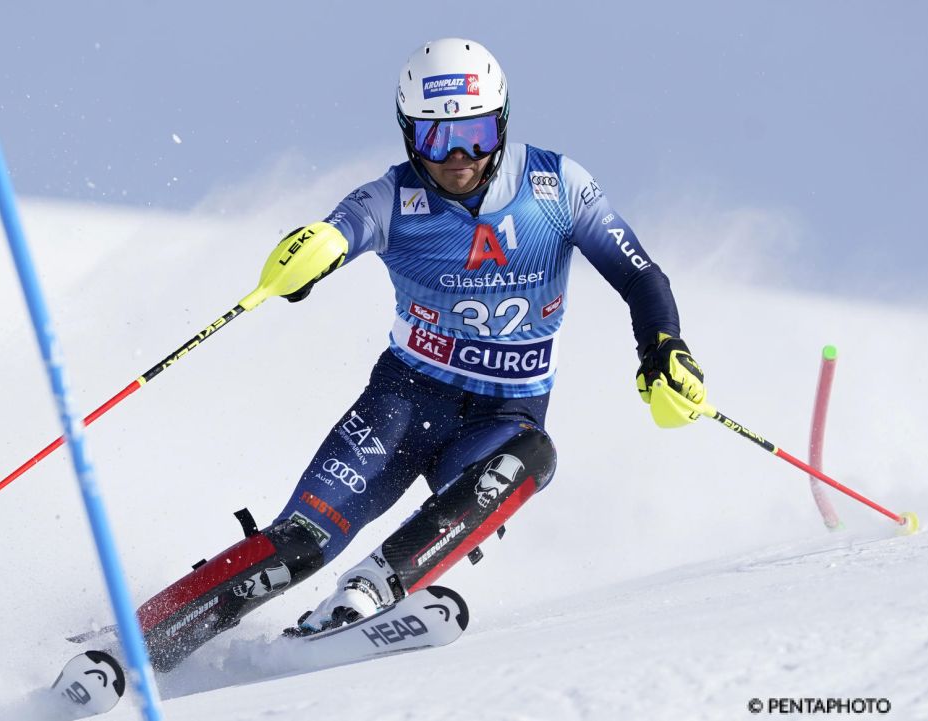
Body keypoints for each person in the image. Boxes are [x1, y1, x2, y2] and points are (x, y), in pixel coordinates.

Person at [133, 37, 707, 669]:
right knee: (301, 540)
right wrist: (312, 249)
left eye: (478, 134)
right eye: (437, 139)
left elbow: (642, 277)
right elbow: (335, 234)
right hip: (402, 402)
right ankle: (141, 640)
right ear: (410, 135)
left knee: (533, 456)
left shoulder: (559, 186)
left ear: (503, 124)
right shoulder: (390, 198)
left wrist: (663, 346)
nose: (459, 157)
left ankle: (367, 591)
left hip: (502, 419)